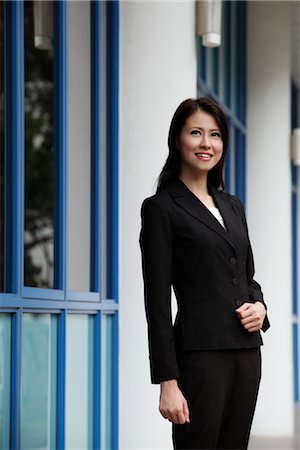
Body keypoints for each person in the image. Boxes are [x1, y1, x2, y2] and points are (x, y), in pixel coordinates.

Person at [139, 97, 270, 450]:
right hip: (200, 358)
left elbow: (248, 278)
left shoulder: (232, 204)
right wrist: (167, 380)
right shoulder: (161, 208)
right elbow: (157, 304)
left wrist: (260, 308)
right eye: (196, 132)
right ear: (177, 139)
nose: (205, 143)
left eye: (214, 135)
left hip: (246, 353)